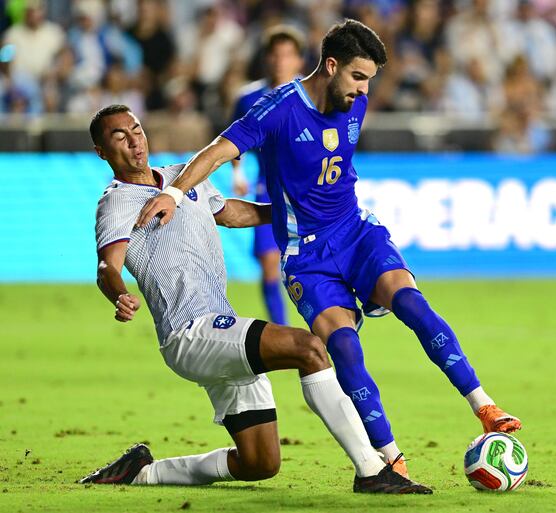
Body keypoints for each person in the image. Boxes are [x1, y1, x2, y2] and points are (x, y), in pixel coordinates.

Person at [135, 19, 521, 478]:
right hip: (307, 259)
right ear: (331, 66)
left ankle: (484, 405)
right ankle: (390, 459)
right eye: (358, 78)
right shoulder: (276, 110)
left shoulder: (354, 99)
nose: (363, 91)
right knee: (343, 348)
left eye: (370, 81)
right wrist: (175, 194)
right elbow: (218, 152)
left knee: (413, 304)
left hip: (356, 232)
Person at [79, 104, 431, 494]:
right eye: (119, 136)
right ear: (102, 152)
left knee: (259, 462)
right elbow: (107, 266)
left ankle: (143, 471)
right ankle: (371, 469)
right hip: (190, 332)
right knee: (309, 348)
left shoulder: (182, 176)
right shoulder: (117, 201)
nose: (134, 141)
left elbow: (230, 213)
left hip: (217, 326)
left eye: (136, 129)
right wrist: (120, 294)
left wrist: (290, 214)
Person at [230, 25, 306, 326]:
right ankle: (283, 330)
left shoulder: (311, 95)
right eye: (275, 55)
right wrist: (238, 171)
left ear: (299, 60)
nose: (280, 61)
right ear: (266, 59)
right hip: (268, 188)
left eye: (287, 55)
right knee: (270, 263)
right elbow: (234, 141)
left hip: (306, 191)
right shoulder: (248, 98)